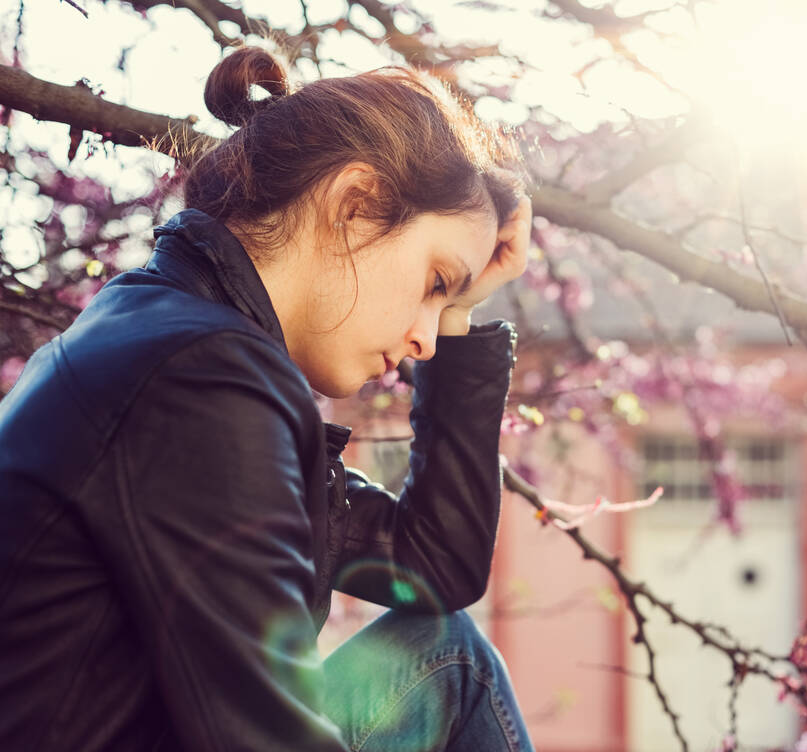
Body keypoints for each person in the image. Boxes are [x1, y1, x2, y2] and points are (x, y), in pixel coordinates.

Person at [0, 45, 535, 752]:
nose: (427, 341)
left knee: (446, 656)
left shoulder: (174, 333)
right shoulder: (202, 379)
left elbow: (433, 566)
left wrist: (468, 305)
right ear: (356, 204)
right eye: (436, 282)